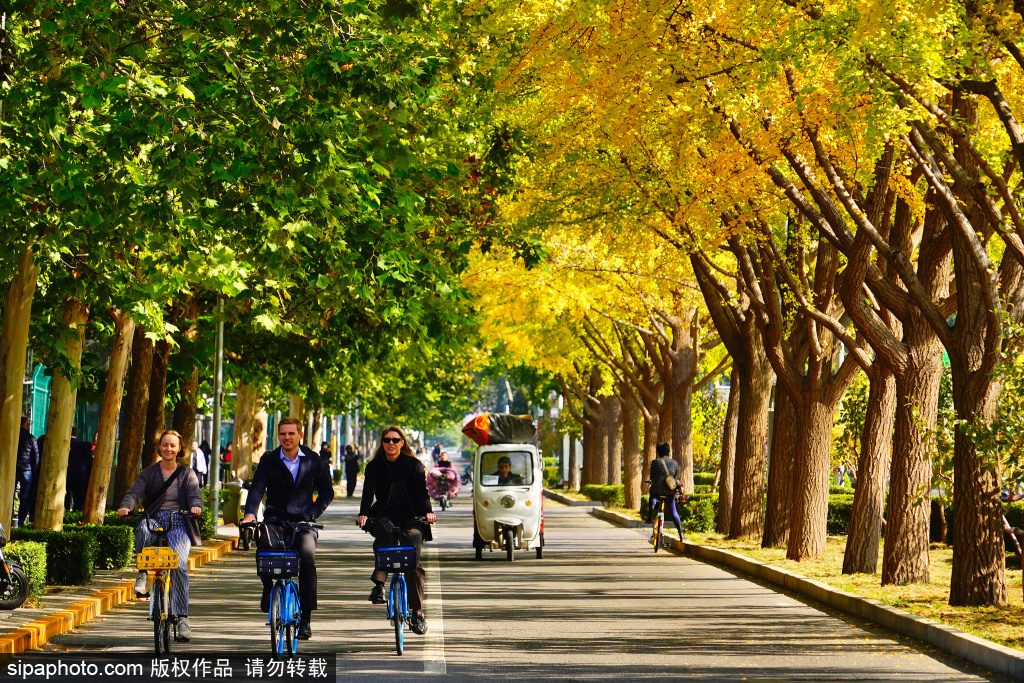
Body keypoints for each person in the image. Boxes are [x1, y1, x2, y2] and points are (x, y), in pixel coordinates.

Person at [242, 417, 334, 640]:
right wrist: (250, 514)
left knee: (307, 558)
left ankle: (306, 619)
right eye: (283, 434)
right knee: (263, 547)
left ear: (300, 435)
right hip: (275, 518)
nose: (287, 437)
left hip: (303, 521)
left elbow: (326, 492)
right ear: (278, 436)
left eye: (291, 433)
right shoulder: (269, 460)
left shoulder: (313, 460)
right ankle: (267, 588)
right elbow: (256, 489)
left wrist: (312, 513)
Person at [118, 430, 203, 642]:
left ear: (179, 449)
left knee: (179, 566)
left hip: (180, 521)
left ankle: (182, 618)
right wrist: (126, 506)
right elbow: (135, 493)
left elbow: (195, 495)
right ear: (159, 447)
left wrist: (195, 506)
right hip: (155, 518)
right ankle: (143, 573)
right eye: (165, 445)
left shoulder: (187, 474)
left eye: (173, 445)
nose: (168, 449)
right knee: (142, 528)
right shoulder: (149, 472)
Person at [357, 426, 436, 635]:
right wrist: (364, 513)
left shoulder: (414, 465)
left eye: (395, 439)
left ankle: (417, 613)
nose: (391, 443)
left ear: (402, 442)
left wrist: (428, 513)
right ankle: (379, 586)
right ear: (382, 443)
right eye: (386, 440)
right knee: (386, 532)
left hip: (412, 517)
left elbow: (422, 494)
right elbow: (368, 493)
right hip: (383, 515)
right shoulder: (374, 466)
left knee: (413, 558)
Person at [648, 442, 684, 542]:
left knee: (653, 495)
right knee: (673, 511)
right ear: (668, 452)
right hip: (669, 491)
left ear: (658, 452)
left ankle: (650, 513)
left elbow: (652, 476)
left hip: (657, 489)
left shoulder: (655, 462)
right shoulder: (675, 463)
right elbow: (675, 478)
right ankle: (681, 533)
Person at [15, 417, 39, 526]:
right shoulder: (31, 438)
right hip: (26, 470)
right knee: (25, 496)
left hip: (14, 469)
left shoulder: (13, 436)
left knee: (11, 494)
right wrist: (33, 470)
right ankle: (21, 521)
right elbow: (36, 457)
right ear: (27, 425)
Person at [65, 426, 93, 512]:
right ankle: (75, 514)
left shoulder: (64, 443)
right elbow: (90, 460)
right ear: (76, 433)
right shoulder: (82, 445)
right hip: (78, 474)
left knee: (64, 496)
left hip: (64, 474)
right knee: (78, 498)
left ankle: (65, 513)